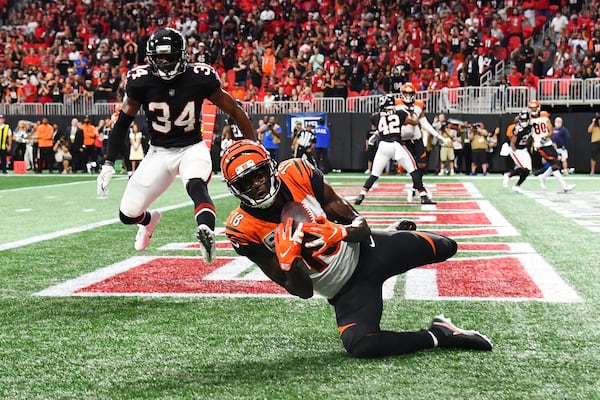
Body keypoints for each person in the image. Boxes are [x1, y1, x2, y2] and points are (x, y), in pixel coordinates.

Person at [221, 140, 492, 358]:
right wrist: (289, 263)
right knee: (362, 345)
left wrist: (339, 231)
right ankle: (440, 334)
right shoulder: (243, 229)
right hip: (345, 291)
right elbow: (303, 292)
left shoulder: (297, 173)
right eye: (246, 182)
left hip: (369, 250)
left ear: (269, 167)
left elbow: (360, 227)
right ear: (235, 189)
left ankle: (394, 234)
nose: (256, 185)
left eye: (257, 175)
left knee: (447, 246)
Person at [96, 28, 256, 264]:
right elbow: (122, 123)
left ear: (182, 55)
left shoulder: (201, 77)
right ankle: (149, 221)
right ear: (151, 58)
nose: (165, 62)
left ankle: (206, 231)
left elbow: (233, 109)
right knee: (128, 214)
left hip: (191, 147)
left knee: (195, 184)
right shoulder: (140, 81)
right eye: (160, 58)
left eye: (170, 57)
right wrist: (108, 162)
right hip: (158, 153)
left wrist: (253, 144)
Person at [354, 94, 432, 206]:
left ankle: (361, 195)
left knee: (374, 174)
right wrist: (411, 113)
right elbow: (414, 122)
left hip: (383, 146)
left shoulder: (375, 117)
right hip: (397, 145)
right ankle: (423, 196)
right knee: (413, 171)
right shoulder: (400, 113)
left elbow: (381, 126)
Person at [394, 83, 451, 202]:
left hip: (416, 138)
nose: (408, 95)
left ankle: (415, 188)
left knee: (422, 165)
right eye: (406, 93)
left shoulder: (419, 104)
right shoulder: (396, 103)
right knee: (412, 167)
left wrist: (437, 135)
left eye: (410, 93)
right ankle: (421, 191)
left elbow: (424, 122)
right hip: (403, 140)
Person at [503, 110, 534, 193]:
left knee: (528, 170)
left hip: (524, 150)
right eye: (522, 120)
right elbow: (512, 142)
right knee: (523, 167)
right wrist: (515, 152)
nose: (523, 122)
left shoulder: (531, 125)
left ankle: (517, 186)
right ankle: (508, 176)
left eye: (525, 120)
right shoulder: (517, 129)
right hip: (516, 150)